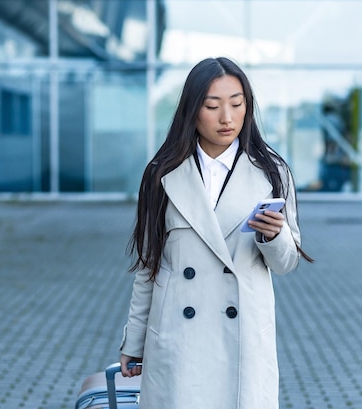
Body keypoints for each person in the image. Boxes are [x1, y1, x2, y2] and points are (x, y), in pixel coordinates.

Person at [119, 56, 312, 409]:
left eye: (237, 104)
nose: (227, 117)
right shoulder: (162, 174)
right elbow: (149, 266)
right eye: (213, 106)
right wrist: (134, 340)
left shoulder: (271, 172)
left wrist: (274, 236)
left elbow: (286, 264)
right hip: (179, 340)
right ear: (192, 110)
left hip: (242, 342)